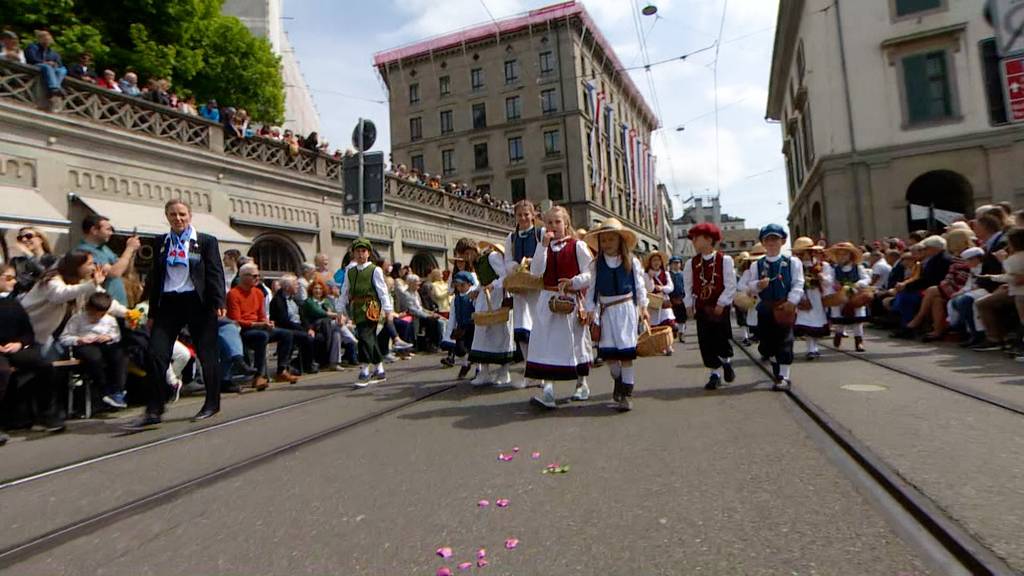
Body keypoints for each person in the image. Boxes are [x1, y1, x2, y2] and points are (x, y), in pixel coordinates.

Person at [124, 200, 226, 430]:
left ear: (189, 216)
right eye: (173, 215)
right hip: (169, 302)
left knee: (207, 353)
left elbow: (214, 271)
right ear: (167, 216)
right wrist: (150, 310)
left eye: (182, 214)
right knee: (155, 353)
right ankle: (154, 408)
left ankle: (212, 403)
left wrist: (219, 300)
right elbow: (155, 277)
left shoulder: (205, 241)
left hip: (197, 301)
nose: (177, 218)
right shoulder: (162, 242)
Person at [527, 206, 594, 409]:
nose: (553, 226)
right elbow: (536, 272)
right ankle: (548, 391)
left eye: (557, 222)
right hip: (547, 299)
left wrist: (573, 282)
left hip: (570, 300)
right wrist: (542, 247)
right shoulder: (543, 246)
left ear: (566, 224)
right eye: (549, 222)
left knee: (575, 341)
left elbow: (590, 274)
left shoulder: (577, 246)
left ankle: (581, 384)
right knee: (545, 342)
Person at [581, 219, 647, 411]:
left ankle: (627, 392)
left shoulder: (631, 261)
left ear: (620, 241)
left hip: (626, 308)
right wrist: (590, 309)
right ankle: (618, 378)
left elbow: (639, 285)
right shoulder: (596, 264)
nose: (607, 243)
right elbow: (593, 288)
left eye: (611, 239)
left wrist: (643, 307)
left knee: (626, 352)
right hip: (606, 310)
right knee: (609, 354)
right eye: (604, 240)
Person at [0, 264, 62, 437]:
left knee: (43, 365)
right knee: (2, 372)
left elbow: (27, 332)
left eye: (14, 278)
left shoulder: (13, 303)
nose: (13, 282)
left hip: (13, 347)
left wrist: (19, 343)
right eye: (8, 278)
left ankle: (46, 414)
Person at [682, 223, 737, 390]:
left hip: (720, 307)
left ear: (708, 239)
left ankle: (726, 363)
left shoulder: (724, 260)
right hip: (702, 308)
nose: (693, 242)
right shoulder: (691, 263)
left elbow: (730, 284)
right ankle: (714, 374)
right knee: (706, 342)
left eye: (696, 238)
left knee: (722, 338)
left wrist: (722, 303)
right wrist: (689, 305)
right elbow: (688, 286)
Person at [751, 224, 804, 390]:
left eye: (775, 239)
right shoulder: (756, 265)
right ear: (763, 243)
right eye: (768, 239)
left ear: (783, 241)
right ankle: (775, 364)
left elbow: (798, 283)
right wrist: (758, 285)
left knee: (785, 341)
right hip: (766, 307)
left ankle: (784, 375)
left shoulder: (792, 262)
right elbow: (748, 287)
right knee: (767, 342)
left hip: (784, 307)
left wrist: (792, 301)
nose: (772, 242)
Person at [227, 263, 296, 387]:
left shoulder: (258, 293)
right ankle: (259, 375)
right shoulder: (233, 294)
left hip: (259, 327)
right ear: (243, 276)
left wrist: (267, 322)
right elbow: (235, 320)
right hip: (243, 330)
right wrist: (259, 324)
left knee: (287, 334)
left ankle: (282, 370)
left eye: (258, 275)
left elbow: (262, 314)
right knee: (262, 336)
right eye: (254, 276)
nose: (257, 278)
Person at [338, 238, 394, 386]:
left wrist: (388, 310)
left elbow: (382, 291)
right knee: (369, 338)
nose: (360, 254)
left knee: (364, 336)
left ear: (368, 253)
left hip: (372, 308)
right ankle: (379, 369)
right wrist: (340, 310)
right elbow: (344, 290)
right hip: (357, 308)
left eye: (363, 251)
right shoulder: (350, 271)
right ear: (353, 254)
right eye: (358, 251)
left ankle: (364, 370)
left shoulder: (375, 270)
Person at [59, 292, 128, 409]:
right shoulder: (77, 319)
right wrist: (79, 339)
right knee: (94, 357)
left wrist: (108, 337)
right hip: (84, 345)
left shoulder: (110, 320)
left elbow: (116, 335)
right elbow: (64, 338)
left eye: (102, 315)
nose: (98, 317)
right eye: (95, 314)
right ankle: (103, 388)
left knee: (120, 355)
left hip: (104, 344)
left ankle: (118, 390)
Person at [503, 200, 544, 388]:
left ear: (533, 215)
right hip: (520, 288)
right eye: (520, 215)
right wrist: (516, 267)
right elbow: (508, 261)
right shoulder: (511, 237)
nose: (523, 218)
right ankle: (530, 370)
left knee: (539, 327)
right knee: (522, 330)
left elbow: (546, 255)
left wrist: (532, 264)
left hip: (537, 287)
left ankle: (543, 370)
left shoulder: (540, 233)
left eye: (526, 214)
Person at [468, 241, 515, 387]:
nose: (467, 258)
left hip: (497, 297)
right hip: (485, 298)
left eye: (467, 254)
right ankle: (484, 372)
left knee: (500, 334)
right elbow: (482, 281)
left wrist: (493, 285)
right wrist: (477, 289)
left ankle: (504, 372)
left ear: (472, 250)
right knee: (482, 334)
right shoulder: (477, 262)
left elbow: (504, 276)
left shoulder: (492, 257)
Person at [891, 235, 952, 337]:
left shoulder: (942, 259)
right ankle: (906, 325)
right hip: (928, 288)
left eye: (926, 248)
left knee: (907, 297)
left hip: (935, 288)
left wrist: (907, 286)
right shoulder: (933, 259)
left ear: (934, 248)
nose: (924, 251)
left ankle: (910, 326)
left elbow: (930, 280)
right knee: (903, 295)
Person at [77, 214, 140, 307]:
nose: (111, 233)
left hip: (117, 305)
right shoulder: (85, 250)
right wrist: (129, 249)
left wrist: (132, 253)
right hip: (101, 307)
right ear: (94, 230)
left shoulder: (105, 249)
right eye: (108, 229)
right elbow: (114, 272)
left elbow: (125, 271)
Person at [791, 237, 833, 360]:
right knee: (806, 322)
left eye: (805, 252)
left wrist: (821, 277)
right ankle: (811, 349)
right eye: (800, 252)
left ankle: (815, 348)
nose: (802, 255)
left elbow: (829, 281)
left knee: (817, 322)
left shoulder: (822, 265)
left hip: (817, 297)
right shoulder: (796, 266)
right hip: (803, 295)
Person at [269, 274, 317, 375]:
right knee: (306, 338)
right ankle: (306, 365)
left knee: (316, 336)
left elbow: (303, 317)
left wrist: (308, 328)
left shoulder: (294, 299)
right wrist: (302, 330)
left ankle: (302, 363)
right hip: (286, 328)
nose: (298, 286)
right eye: (295, 284)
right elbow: (283, 321)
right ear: (287, 287)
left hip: (298, 327)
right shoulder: (278, 300)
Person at [827, 242, 871, 352]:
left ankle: (859, 340)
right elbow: (831, 281)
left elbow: (866, 279)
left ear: (850, 255)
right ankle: (838, 333)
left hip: (855, 295)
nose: (841, 257)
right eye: (839, 255)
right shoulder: (834, 269)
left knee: (857, 319)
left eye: (844, 254)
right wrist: (834, 286)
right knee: (840, 318)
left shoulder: (858, 267)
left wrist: (858, 284)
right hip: (840, 296)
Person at [398, 273, 442, 352]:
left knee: (436, 319)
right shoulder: (406, 294)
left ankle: (436, 343)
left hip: (420, 314)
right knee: (431, 321)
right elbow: (412, 310)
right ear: (411, 283)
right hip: (414, 316)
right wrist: (427, 316)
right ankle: (430, 344)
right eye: (417, 282)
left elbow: (420, 307)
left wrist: (430, 313)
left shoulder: (416, 293)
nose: (419, 283)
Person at [643, 251, 676, 355]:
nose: (656, 263)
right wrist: (650, 278)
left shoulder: (665, 273)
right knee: (656, 326)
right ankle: (661, 347)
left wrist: (662, 288)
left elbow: (671, 287)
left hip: (664, 302)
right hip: (653, 304)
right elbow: (649, 288)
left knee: (668, 324)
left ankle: (668, 345)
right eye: (654, 260)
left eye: (658, 260)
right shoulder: (645, 275)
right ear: (650, 262)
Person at [9, 226, 57, 296]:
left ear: (41, 239)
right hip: (19, 302)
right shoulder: (16, 261)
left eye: (28, 236)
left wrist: (30, 255)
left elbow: (47, 275)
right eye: (20, 238)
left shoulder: (51, 260)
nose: (24, 240)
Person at [448, 272, 477, 379]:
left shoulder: (472, 296)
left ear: (469, 284)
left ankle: (478, 369)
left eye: (462, 285)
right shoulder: (456, 299)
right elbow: (453, 315)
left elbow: (477, 309)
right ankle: (466, 363)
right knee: (460, 350)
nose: (459, 288)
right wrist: (451, 328)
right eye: (457, 285)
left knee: (473, 348)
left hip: (472, 326)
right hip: (461, 327)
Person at [25, 30, 67, 100]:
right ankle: (54, 88)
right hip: (36, 65)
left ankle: (56, 88)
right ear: (40, 39)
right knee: (47, 67)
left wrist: (55, 64)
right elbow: (31, 58)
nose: (47, 41)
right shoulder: (33, 47)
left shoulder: (53, 53)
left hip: (51, 68)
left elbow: (59, 64)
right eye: (44, 39)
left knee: (63, 70)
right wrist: (45, 62)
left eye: (48, 39)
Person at [668, 256, 688, 343]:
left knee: (682, 317)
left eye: (678, 263)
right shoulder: (668, 274)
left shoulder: (683, 274)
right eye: (674, 263)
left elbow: (686, 286)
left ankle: (681, 333)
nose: (676, 265)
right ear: (671, 264)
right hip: (671, 299)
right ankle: (673, 331)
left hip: (682, 298)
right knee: (672, 317)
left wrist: (685, 297)